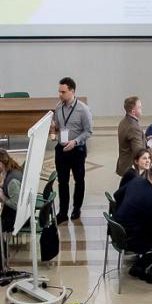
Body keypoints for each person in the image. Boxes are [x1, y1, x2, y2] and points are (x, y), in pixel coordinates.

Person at [51, 77, 93, 222]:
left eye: (63, 92)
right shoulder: (58, 107)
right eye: (59, 91)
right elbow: (58, 126)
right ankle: (63, 212)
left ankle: (76, 208)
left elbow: (88, 131)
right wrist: (54, 128)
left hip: (77, 150)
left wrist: (75, 142)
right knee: (62, 182)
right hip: (61, 150)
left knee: (79, 180)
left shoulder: (83, 109)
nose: (60, 94)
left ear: (72, 91)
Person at [0, 148, 24, 230]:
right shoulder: (11, 169)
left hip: (15, 219)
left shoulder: (13, 181)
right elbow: (5, 184)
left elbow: (16, 206)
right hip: (13, 213)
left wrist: (2, 196)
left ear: (0, 164)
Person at [115, 95, 146, 177]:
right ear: (133, 111)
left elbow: (131, 140)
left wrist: (144, 139)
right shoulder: (133, 127)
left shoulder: (124, 121)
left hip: (124, 164)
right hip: (131, 167)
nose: (141, 109)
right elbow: (139, 152)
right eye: (139, 107)